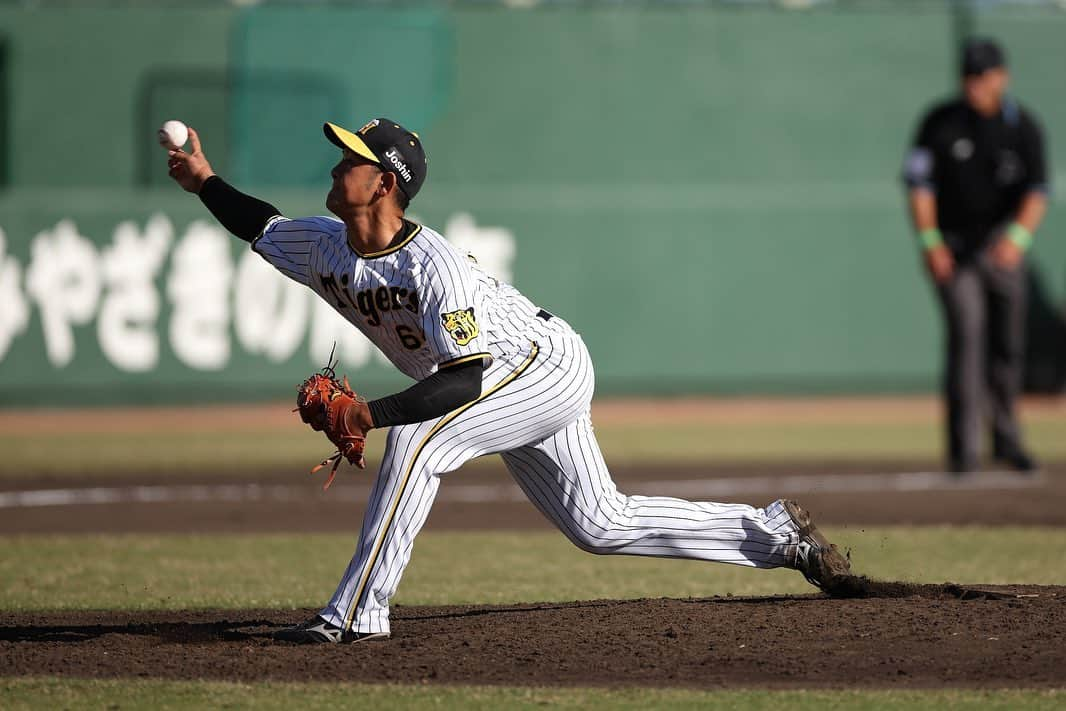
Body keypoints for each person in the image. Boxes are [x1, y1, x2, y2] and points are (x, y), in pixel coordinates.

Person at [166, 117, 852, 644]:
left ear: (385, 183)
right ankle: (774, 534)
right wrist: (203, 181)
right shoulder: (326, 245)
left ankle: (355, 613)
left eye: (353, 159)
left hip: (539, 364)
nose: (338, 164)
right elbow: (261, 224)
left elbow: (462, 382)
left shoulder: (435, 269)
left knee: (416, 441)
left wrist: (369, 415)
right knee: (598, 522)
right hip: (504, 380)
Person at [902, 38, 1049, 475]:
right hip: (952, 245)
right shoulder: (940, 123)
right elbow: (919, 187)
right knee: (968, 336)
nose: (975, 85)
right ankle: (964, 450)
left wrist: (1017, 238)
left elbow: (1037, 192)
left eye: (983, 76)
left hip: (1002, 246)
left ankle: (1007, 440)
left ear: (1002, 77)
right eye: (969, 76)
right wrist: (930, 242)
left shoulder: (1023, 126)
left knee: (1007, 344)